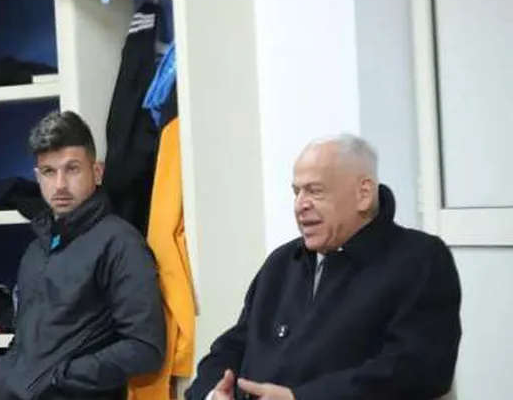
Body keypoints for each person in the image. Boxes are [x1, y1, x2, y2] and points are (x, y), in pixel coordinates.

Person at [186, 134, 462, 400]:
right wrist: (212, 393)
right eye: (296, 192)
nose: (300, 205)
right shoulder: (281, 262)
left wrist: (300, 398)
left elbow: (418, 369)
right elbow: (233, 345)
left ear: (363, 194)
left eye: (314, 191)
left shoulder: (420, 259)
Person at [0, 111, 166, 400]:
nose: (60, 184)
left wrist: (59, 377)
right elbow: (25, 342)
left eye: (72, 169)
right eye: (49, 171)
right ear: (38, 177)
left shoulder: (121, 243)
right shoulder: (36, 250)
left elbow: (145, 348)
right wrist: (2, 377)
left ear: (97, 172)